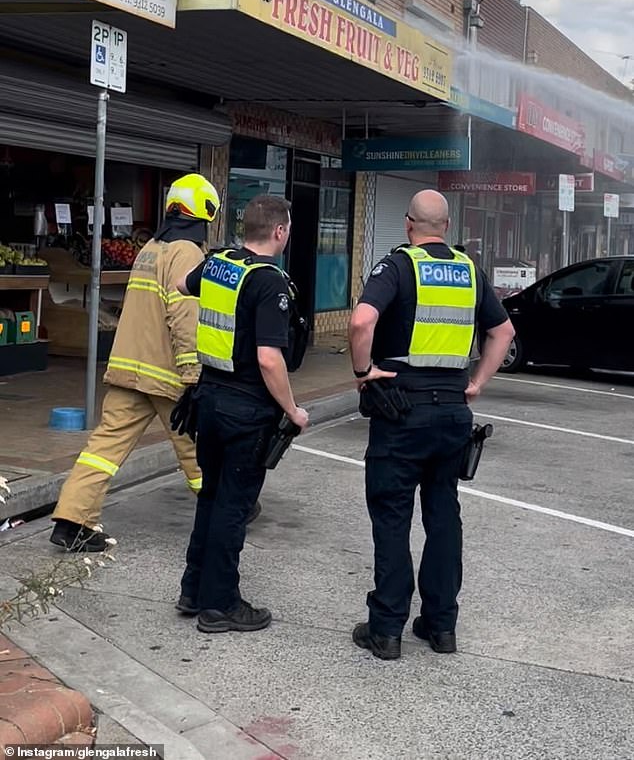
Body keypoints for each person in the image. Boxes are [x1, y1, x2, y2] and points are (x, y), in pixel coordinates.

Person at [348, 189, 515, 661]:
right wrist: (476, 381)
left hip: (402, 410)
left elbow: (362, 323)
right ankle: (441, 627)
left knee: (392, 518)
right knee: (443, 517)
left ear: (408, 225)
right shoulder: (468, 271)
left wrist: (363, 374)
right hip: (452, 414)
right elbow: (503, 332)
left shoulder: (398, 266)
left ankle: (386, 630)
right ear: (445, 225)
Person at [50, 174, 221, 553]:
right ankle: (225, 511)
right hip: (167, 375)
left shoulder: (151, 249)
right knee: (196, 448)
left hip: (129, 369)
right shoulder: (188, 253)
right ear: (205, 211)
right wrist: (194, 375)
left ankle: (71, 520)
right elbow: (185, 316)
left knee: (103, 448)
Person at [177, 194, 309, 634]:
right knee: (234, 506)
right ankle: (220, 605)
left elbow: (181, 285)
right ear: (279, 231)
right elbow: (270, 359)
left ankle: (194, 590)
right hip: (246, 407)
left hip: (208, 398)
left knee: (211, 497)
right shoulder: (270, 281)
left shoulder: (219, 264)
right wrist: (292, 410)